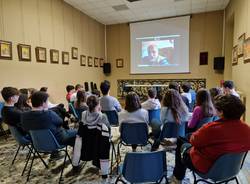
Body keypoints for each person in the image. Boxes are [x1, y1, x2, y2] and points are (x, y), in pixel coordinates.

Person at [171, 94, 250, 183]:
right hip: (233, 168)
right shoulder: (247, 128)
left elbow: (194, 141)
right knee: (185, 138)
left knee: (182, 143)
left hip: (208, 167)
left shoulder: (212, 128)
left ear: (221, 112)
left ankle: (178, 177)